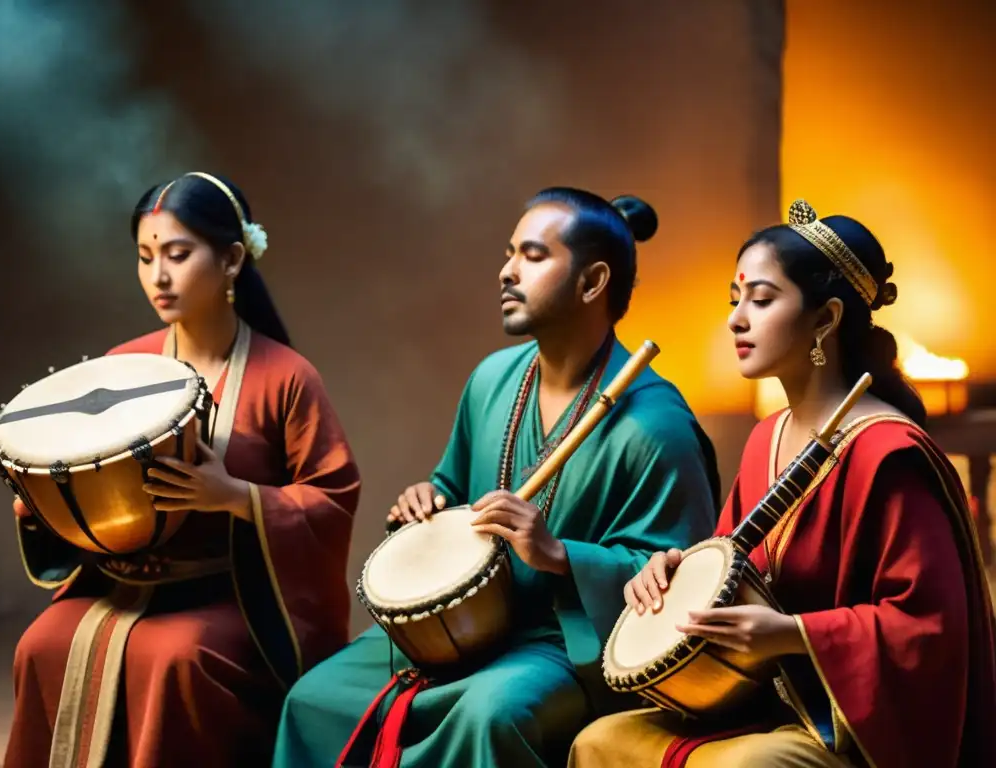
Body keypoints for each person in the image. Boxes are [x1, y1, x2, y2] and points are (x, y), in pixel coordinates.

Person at [272, 187, 721, 768]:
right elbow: (453, 491)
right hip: (460, 627)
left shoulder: (656, 427)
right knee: (315, 699)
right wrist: (427, 502)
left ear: (592, 283)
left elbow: (681, 583)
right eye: (510, 253)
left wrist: (560, 555)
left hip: (563, 644)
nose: (506, 271)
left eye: (533, 256)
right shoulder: (492, 379)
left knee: (492, 714)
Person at [568, 199, 996, 768]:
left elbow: (929, 627)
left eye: (761, 299)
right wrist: (674, 573)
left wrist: (791, 634)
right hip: (760, 697)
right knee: (598, 741)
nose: (736, 318)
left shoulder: (888, 452)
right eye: (735, 300)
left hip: (843, 721)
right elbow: (731, 566)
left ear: (826, 319)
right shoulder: (766, 438)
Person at [5, 172, 362, 768]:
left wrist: (237, 496)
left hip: (231, 593)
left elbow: (332, 495)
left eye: (177, 254)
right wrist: (49, 504)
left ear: (231, 260)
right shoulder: (125, 365)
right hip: (120, 582)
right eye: (145, 258)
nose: (158, 277)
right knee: (39, 644)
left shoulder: (287, 376)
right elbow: (88, 475)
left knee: (177, 656)